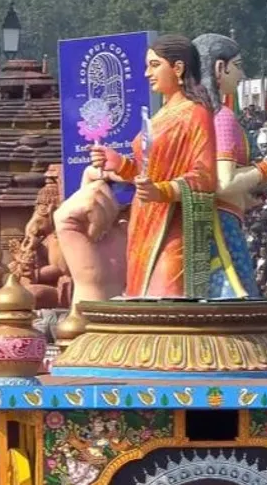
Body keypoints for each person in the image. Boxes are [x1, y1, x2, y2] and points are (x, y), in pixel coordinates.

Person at [89, 34, 218, 298]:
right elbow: (148, 172)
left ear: (178, 68)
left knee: (165, 299)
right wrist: (120, 164)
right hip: (144, 221)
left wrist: (161, 191)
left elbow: (205, 176)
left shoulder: (195, 113)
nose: (147, 73)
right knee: (142, 299)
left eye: (155, 65)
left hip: (173, 226)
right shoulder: (160, 115)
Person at [193, 33, 267, 298]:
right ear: (220, 68)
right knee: (235, 307)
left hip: (195, 230)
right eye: (238, 66)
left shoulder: (190, 115)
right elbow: (224, 182)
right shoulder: (221, 117)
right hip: (221, 228)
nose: (242, 75)